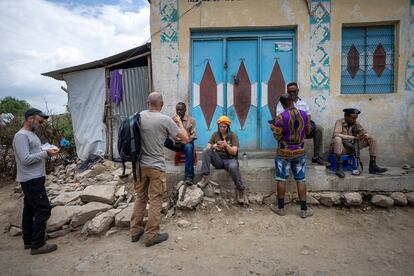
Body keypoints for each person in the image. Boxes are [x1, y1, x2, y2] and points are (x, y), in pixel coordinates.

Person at [130, 92, 189, 247]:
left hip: (139, 166)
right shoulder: (165, 120)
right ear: (161, 104)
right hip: (156, 166)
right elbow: (185, 138)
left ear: (147, 102)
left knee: (140, 197)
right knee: (155, 199)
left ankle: (135, 231)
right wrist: (179, 123)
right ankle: (151, 235)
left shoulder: (138, 116)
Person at [13, 108, 60, 255]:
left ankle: (29, 240)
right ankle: (38, 244)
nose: (41, 124)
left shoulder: (31, 134)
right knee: (44, 209)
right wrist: (45, 153)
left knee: (30, 209)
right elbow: (25, 159)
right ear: (30, 119)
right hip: (30, 179)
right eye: (39, 121)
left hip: (35, 177)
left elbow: (34, 152)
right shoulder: (21, 136)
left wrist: (46, 149)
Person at [270, 94, 313, 218]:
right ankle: (304, 210)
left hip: (284, 152)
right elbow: (308, 131)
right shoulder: (304, 115)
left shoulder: (280, 117)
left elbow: (277, 136)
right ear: (293, 101)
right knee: (300, 179)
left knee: (281, 179)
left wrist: (274, 128)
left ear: (282, 104)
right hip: (299, 151)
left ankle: (281, 208)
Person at [197, 115, 249, 205]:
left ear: (228, 127)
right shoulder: (215, 135)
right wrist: (213, 146)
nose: (222, 128)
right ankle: (205, 177)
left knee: (233, 166)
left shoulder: (233, 135)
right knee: (206, 151)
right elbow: (208, 147)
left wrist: (226, 145)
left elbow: (234, 152)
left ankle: (240, 189)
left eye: (224, 127)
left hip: (230, 160)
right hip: (218, 161)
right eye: (220, 126)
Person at [276, 82, 329, 165]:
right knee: (278, 130)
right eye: (289, 92)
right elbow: (279, 119)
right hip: (289, 129)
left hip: (303, 127)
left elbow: (308, 115)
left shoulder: (303, 102)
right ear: (287, 92)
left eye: (294, 91)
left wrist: (305, 126)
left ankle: (317, 157)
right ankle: (284, 156)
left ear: (298, 91)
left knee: (318, 129)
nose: (292, 93)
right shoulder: (282, 103)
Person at [332, 108, 387, 178]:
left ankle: (372, 165)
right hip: (341, 148)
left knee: (371, 139)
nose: (354, 120)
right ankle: (339, 167)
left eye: (356, 118)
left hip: (353, 147)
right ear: (346, 117)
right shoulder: (339, 122)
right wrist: (353, 137)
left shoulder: (355, 123)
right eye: (353, 118)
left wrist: (365, 136)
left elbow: (365, 132)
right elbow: (336, 134)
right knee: (337, 139)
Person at [164, 102, 197, 184]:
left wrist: (179, 122)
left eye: (181, 110)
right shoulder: (172, 120)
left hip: (187, 144)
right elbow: (167, 133)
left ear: (185, 110)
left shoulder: (191, 120)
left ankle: (189, 176)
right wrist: (173, 140)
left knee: (189, 147)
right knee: (162, 139)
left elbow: (193, 137)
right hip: (176, 144)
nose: (178, 112)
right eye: (177, 110)